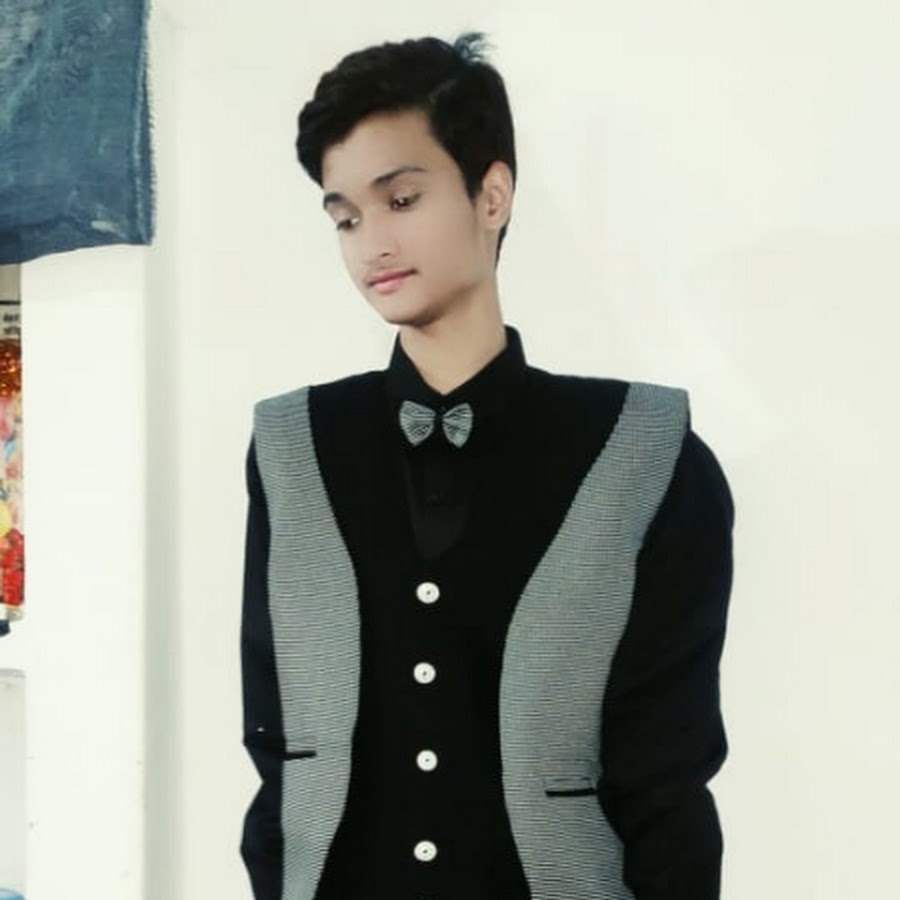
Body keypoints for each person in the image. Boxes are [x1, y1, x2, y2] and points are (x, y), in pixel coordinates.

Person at [240, 32, 734, 900]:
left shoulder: (646, 453)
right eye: (346, 217)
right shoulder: (292, 447)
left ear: (492, 194)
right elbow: (279, 746)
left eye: (401, 199)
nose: (371, 243)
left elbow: (668, 776)